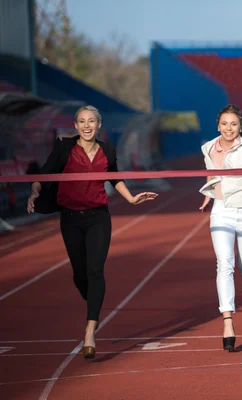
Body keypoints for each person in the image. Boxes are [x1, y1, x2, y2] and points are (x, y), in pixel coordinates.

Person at [27, 105, 158, 360]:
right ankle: (95, 304)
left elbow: (114, 177)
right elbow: (43, 173)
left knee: (95, 270)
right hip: (70, 218)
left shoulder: (107, 150)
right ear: (76, 126)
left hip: (99, 217)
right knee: (80, 274)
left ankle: (90, 331)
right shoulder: (64, 147)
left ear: (99, 125)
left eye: (92, 121)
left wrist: (131, 198)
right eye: (82, 121)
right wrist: (35, 191)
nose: (87, 126)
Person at [199, 104, 242, 352]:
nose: (229, 128)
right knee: (224, 264)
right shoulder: (208, 148)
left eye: (234, 124)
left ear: (240, 127)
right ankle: (227, 322)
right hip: (222, 211)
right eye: (225, 124)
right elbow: (211, 174)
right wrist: (208, 195)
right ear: (219, 126)